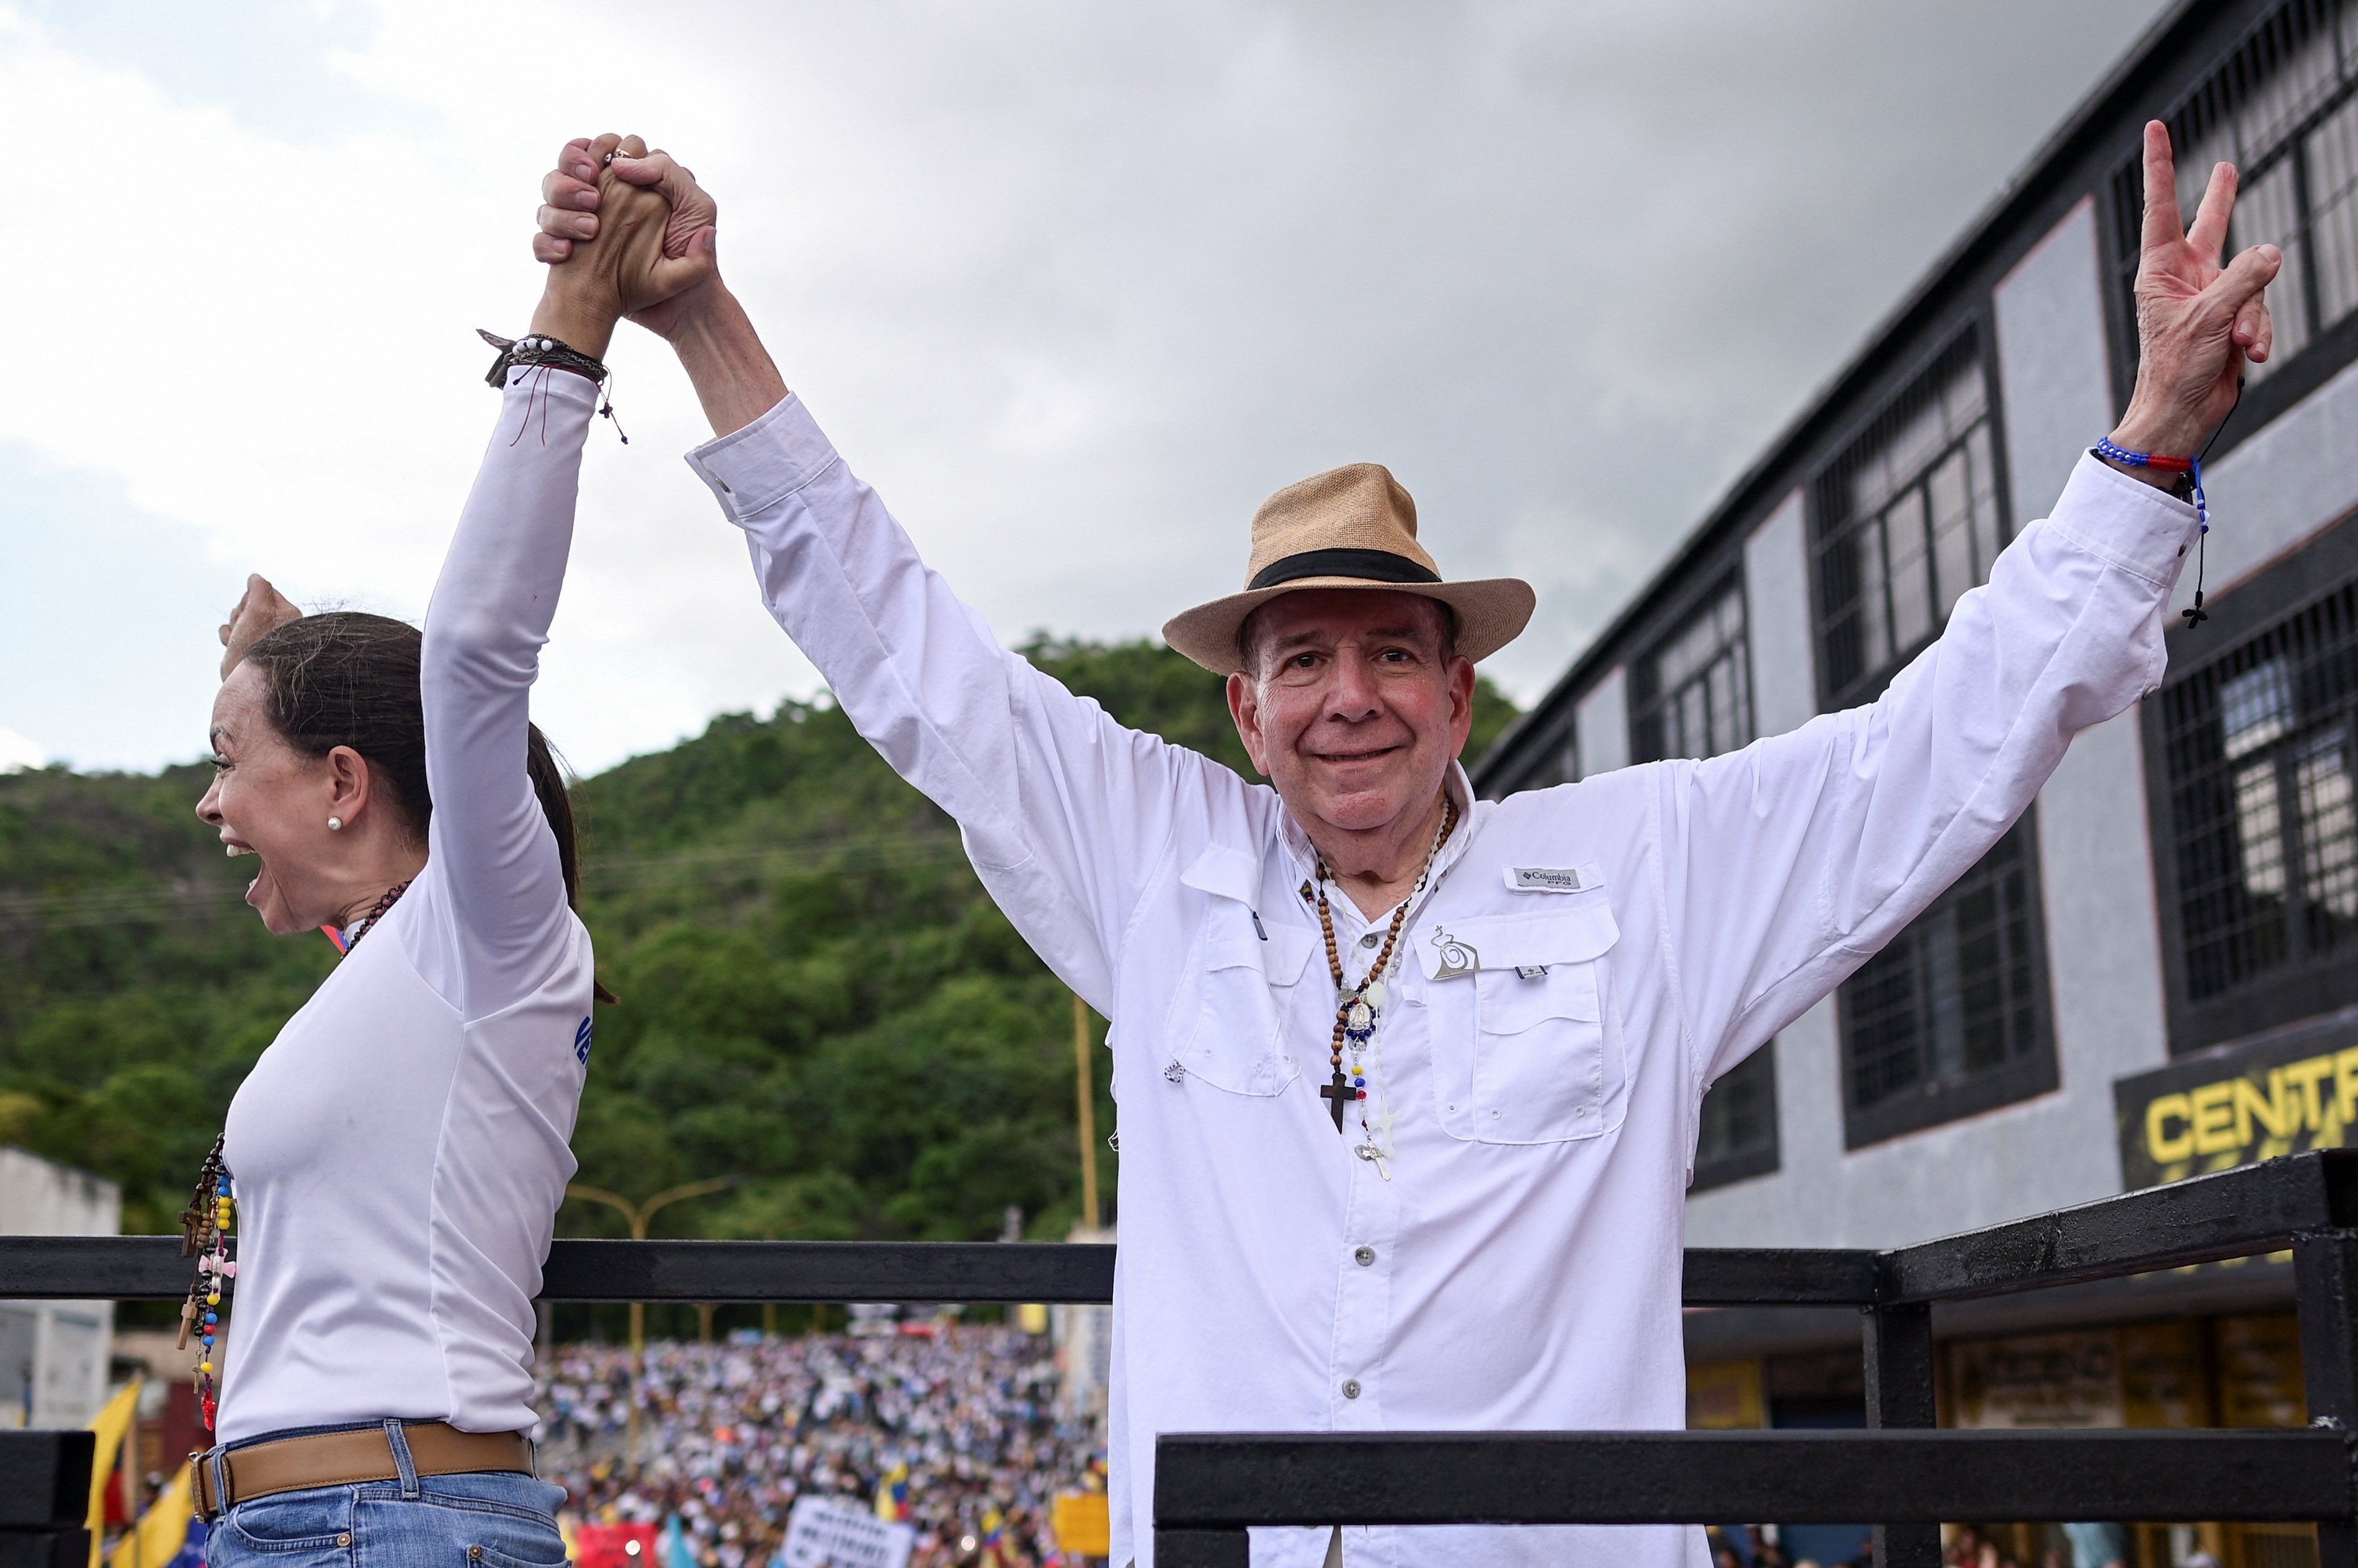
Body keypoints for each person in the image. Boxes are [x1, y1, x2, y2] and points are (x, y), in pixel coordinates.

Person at [529, 120, 2274, 1568]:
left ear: (1459, 693)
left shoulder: (1640, 871)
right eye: (1302, 659)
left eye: (1388, 653)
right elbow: (908, 654)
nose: (1345, 697)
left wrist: (2149, 446)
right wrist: (704, 323)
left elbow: (1930, 755)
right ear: (1244, 709)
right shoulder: (1154, 865)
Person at [184, 146, 681, 1555]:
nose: (209, 807)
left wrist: (567, 327)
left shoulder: (489, 923)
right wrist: (260, 671)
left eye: (229, 767)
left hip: (384, 1524)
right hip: (306, 1521)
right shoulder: (409, 961)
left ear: (346, 782)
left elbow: (470, 654)